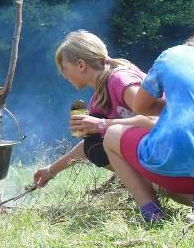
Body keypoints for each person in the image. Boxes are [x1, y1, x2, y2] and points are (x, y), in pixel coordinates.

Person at [103, 32, 194, 223]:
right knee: (171, 172)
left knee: (112, 135)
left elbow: (139, 107)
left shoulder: (171, 55)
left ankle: (152, 213)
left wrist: (175, 105)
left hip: (173, 172)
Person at [33, 30, 156, 187]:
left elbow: (155, 121)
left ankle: (148, 186)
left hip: (176, 152)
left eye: (65, 68)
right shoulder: (98, 100)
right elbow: (89, 146)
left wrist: (102, 124)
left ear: (81, 65)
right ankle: (139, 186)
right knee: (94, 145)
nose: (64, 75)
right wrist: (51, 170)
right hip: (154, 155)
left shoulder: (119, 79)